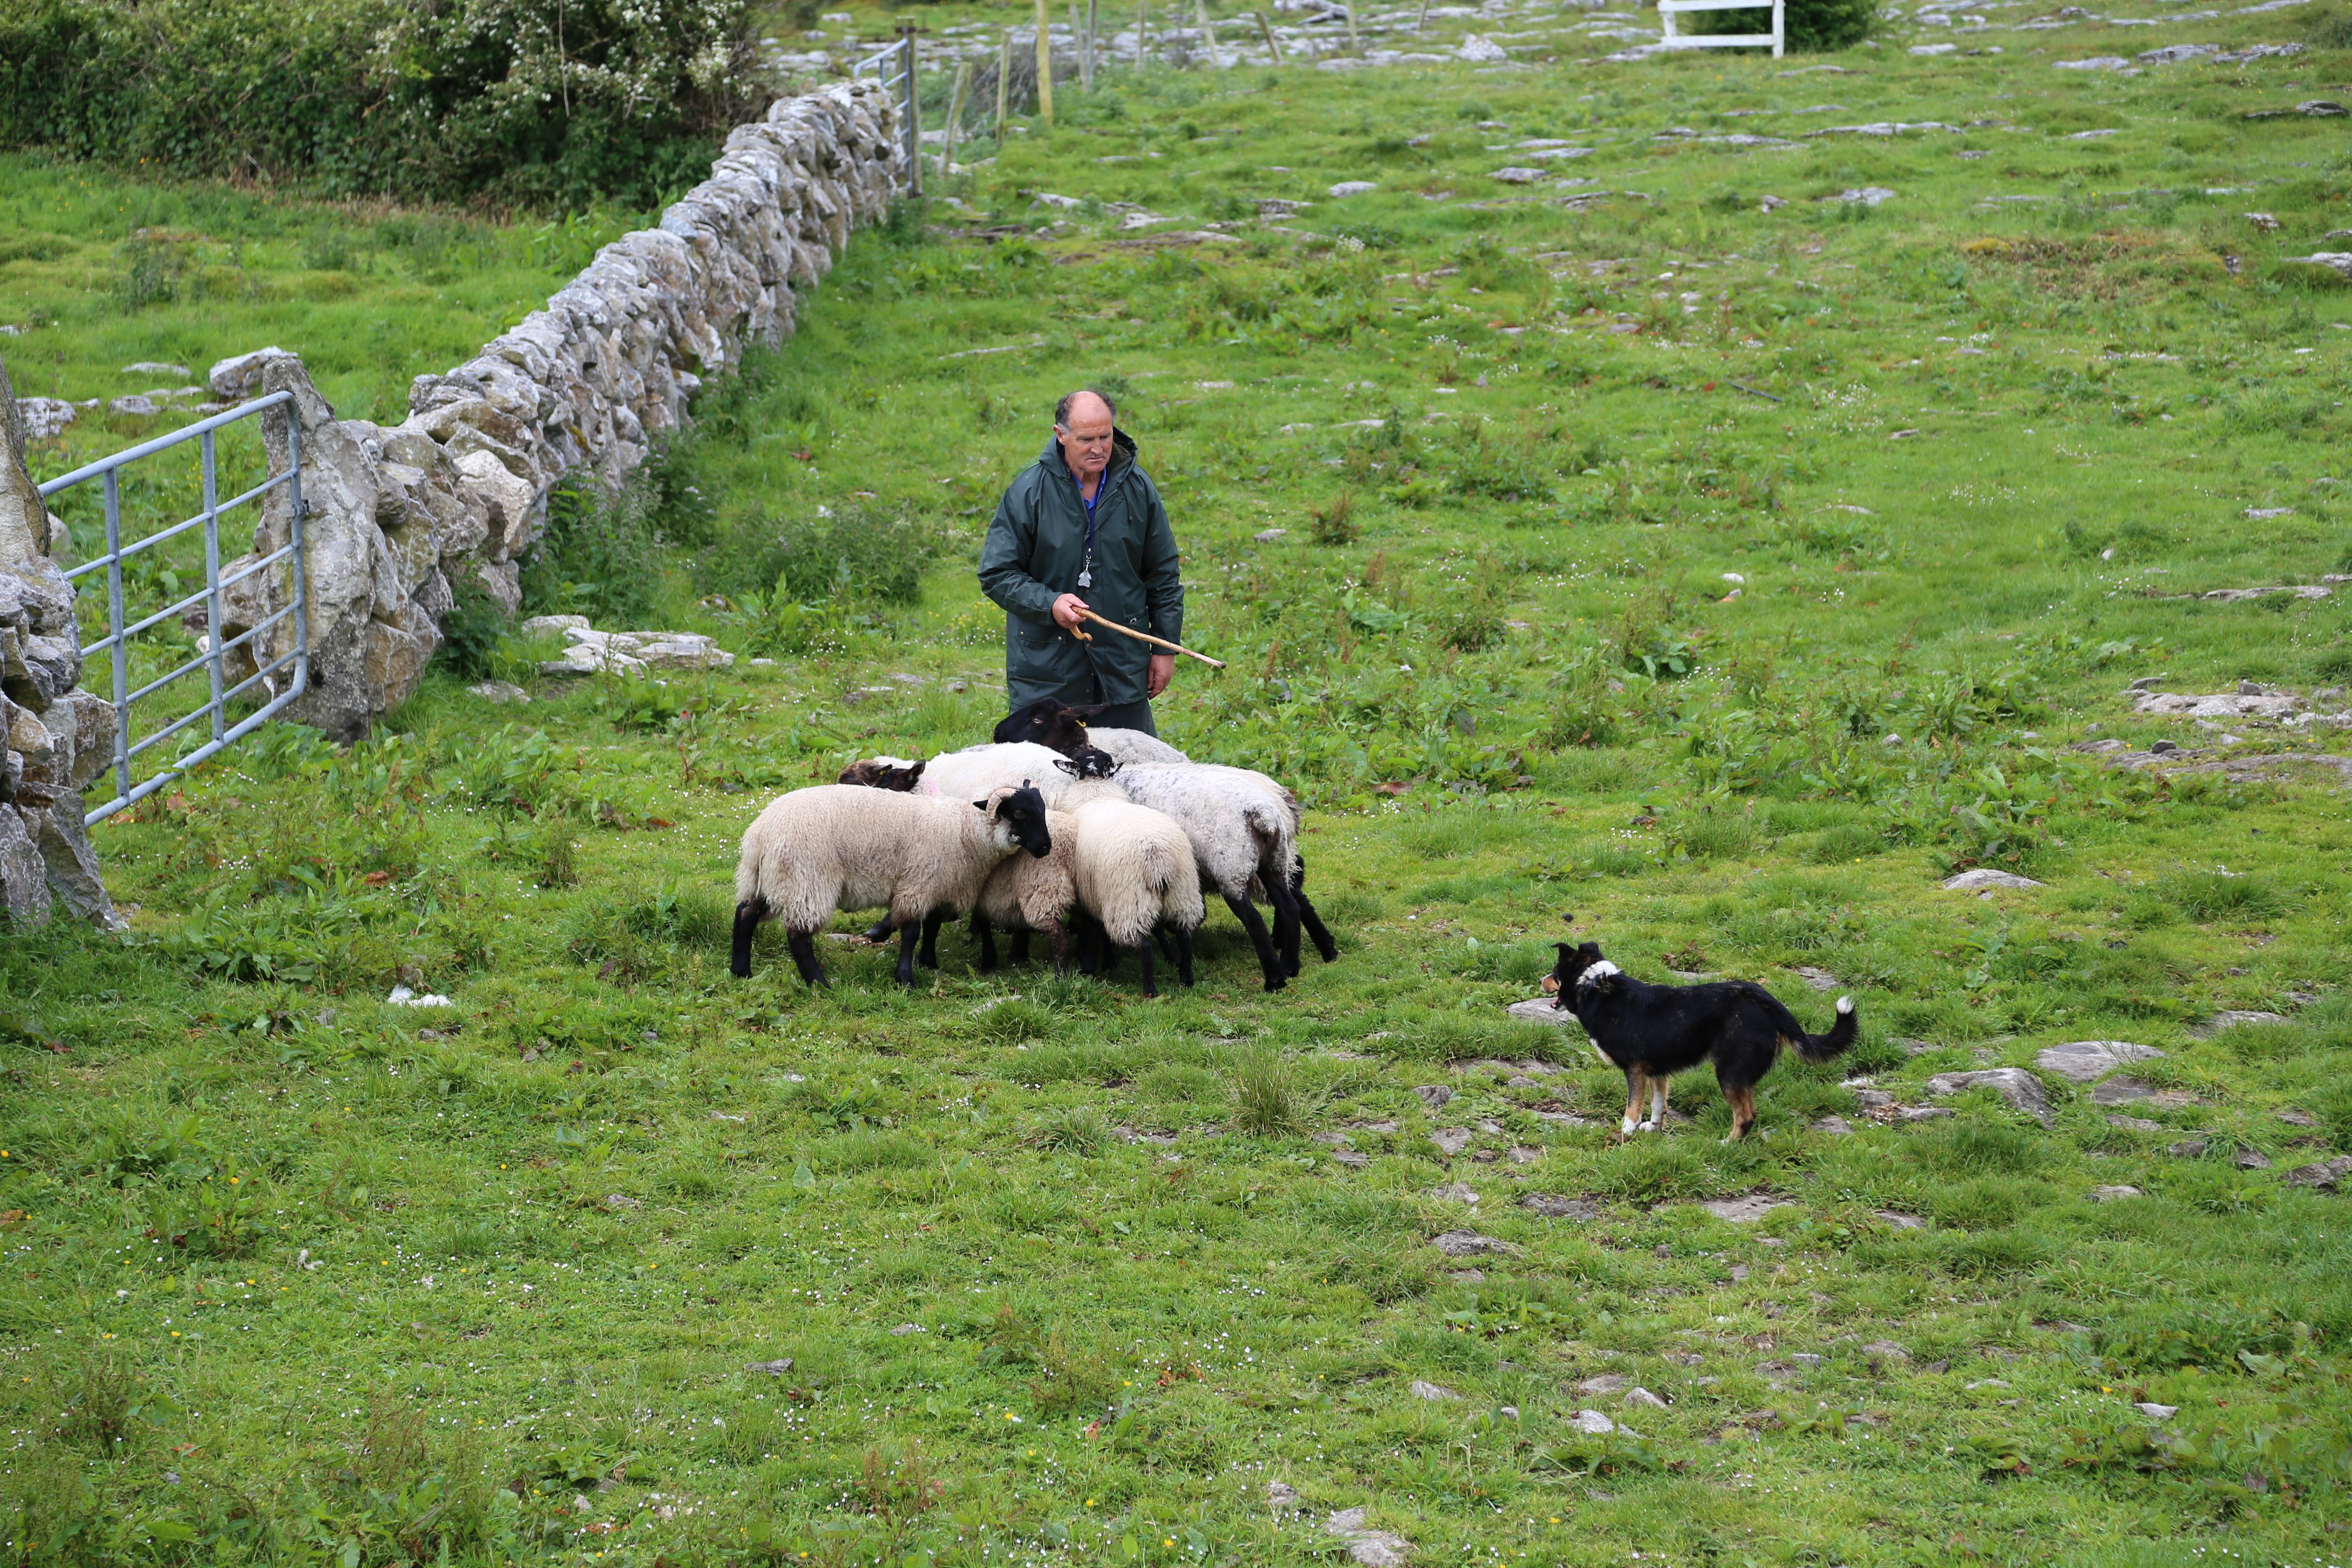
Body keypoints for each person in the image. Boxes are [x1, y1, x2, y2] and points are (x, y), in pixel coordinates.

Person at [977, 388, 1184, 735]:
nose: (1099, 448)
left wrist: (1165, 648)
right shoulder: (1029, 492)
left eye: (1106, 436)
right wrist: (1051, 603)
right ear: (1061, 436)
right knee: (1046, 782)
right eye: (1087, 439)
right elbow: (997, 574)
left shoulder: (1138, 489)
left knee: (1132, 773)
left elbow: (1163, 573)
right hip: (1048, 675)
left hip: (1122, 670)